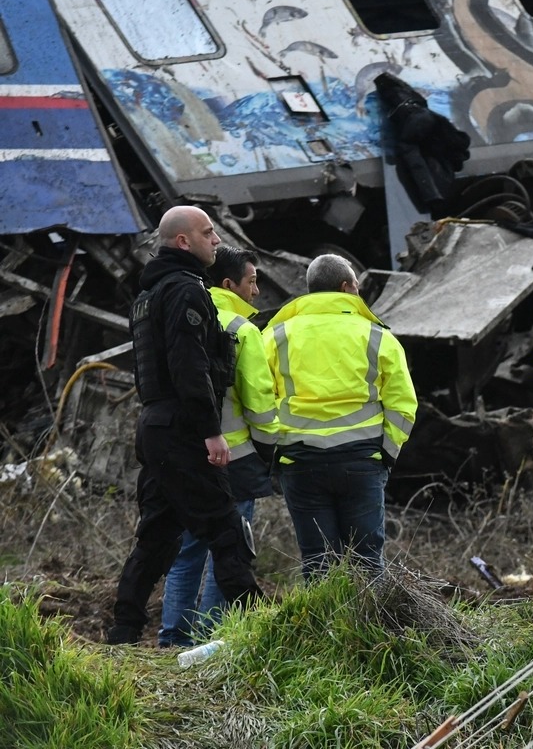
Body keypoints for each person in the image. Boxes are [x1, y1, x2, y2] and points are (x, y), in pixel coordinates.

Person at [106, 206, 263, 645]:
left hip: (155, 425)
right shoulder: (185, 290)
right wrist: (211, 432)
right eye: (208, 232)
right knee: (227, 531)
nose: (216, 240)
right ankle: (264, 633)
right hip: (182, 427)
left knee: (157, 536)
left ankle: (123, 632)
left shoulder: (148, 294)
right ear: (183, 241)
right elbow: (189, 367)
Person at [263, 254, 418, 579]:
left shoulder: (275, 336)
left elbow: (258, 398)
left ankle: (324, 615)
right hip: (362, 460)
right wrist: (387, 453)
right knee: (368, 561)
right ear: (347, 287)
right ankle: (370, 614)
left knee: (317, 562)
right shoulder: (377, 336)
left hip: (299, 460)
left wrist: (274, 451)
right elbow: (403, 404)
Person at [158, 246, 277, 648]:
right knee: (230, 552)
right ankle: (211, 638)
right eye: (252, 282)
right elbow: (259, 404)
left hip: (182, 454)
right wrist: (269, 452)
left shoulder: (179, 315)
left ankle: (173, 639)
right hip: (234, 460)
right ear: (230, 284)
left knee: (188, 548)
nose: (256, 291)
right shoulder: (242, 329)